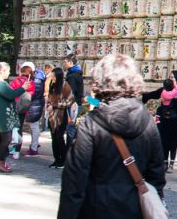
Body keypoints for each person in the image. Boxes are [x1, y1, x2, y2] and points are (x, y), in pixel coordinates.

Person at [58, 54, 165, 219]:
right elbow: (156, 175)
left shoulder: (91, 124)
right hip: (134, 209)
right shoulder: (148, 123)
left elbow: (74, 182)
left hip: (95, 208)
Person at [142, 70, 177, 173]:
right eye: (170, 77)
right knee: (163, 140)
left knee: (173, 141)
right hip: (163, 118)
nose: (171, 79)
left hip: (174, 119)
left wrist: (168, 96)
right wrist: (143, 96)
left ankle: (172, 162)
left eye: (173, 77)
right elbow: (152, 94)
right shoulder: (163, 89)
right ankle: (164, 162)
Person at [0, 62, 31, 173]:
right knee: (6, 139)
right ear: (2, 71)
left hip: (2, 116)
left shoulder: (2, 83)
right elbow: (11, 95)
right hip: (2, 117)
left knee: (1, 140)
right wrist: (23, 88)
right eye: (7, 71)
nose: (8, 73)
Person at [47, 67, 74, 168]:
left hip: (61, 115)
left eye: (53, 76)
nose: (52, 78)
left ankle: (63, 160)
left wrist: (55, 105)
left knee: (59, 138)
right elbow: (49, 98)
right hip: (51, 115)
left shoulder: (65, 85)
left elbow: (70, 100)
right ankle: (56, 159)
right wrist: (49, 105)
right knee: (54, 138)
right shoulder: (52, 85)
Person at [8, 62, 36, 157]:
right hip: (24, 108)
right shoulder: (31, 83)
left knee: (12, 127)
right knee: (19, 128)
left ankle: (12, 147)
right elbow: (31, 94)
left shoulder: (17, 81)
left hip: (14, 106)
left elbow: (10, 91)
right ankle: (17, 151)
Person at [23, 62, 48, 156]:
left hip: (34, 105)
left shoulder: (36, 79)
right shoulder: (38, 77)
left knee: (34, 126)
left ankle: (34, 148)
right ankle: (35, 144)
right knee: (34, 126)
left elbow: (33, 93)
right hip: (36, 104)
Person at [63, 55, 84, 148]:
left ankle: (69, 152)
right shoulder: (77, 74)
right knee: (73, 127)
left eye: (65, 62)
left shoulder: (72, 76)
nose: (64, 64)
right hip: (77, 103)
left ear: (71, 63)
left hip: (72, 105)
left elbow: (70, 92)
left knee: (71, 128)